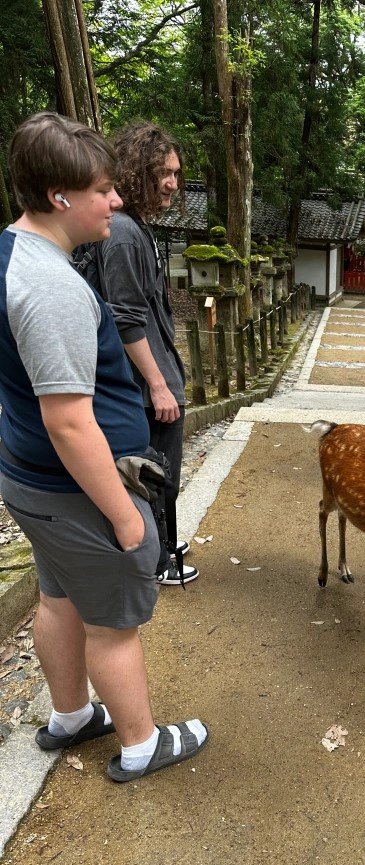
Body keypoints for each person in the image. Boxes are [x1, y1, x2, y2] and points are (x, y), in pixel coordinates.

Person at [0, 111, 208, 781]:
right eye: (101, 190)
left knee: (59, 599)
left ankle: (70, 715)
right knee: (112, 621)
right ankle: (143, 742)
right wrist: (124, 516)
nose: (114, 202)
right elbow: (69, 421)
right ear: (59, 197)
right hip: (76, 487)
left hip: (31, 476)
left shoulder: (11, 249)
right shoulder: (52, 287)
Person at [97, 121, 198, 585]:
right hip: (141, 389)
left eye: (176, 172)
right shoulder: (120, 232)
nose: (172, 183)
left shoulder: (135, 228)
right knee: (153, 477)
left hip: (154, 380)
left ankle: (159, 554)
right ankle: (154, 565)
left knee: (162, 476)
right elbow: (126, 317)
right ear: (137, 171)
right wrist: (158, 385)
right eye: (164, 172)